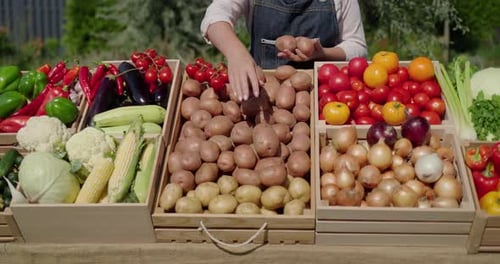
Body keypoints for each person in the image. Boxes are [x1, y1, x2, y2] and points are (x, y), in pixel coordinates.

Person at [201, 0, 367, 101]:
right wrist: (237, 54)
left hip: (323, 96)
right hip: (263, 92)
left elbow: (357, 45)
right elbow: (215, 16)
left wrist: (323, 53)